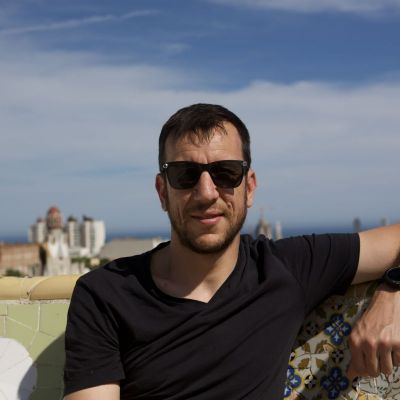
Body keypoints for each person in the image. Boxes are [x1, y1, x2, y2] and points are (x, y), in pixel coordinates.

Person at [64, 103, 400, 399]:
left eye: (225, 173)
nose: (207, 192)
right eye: (185, 175)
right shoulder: (106, 295)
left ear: (249, 187)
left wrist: (392, 294)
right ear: (162, 191)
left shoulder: (287, 268)